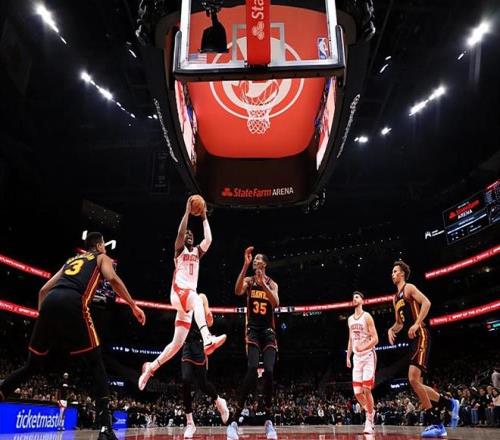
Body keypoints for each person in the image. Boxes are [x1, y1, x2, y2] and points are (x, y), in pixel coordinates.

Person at [0, 232, 146, 440]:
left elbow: (43, 291)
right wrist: (133, 305)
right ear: (99, 245)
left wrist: (45, 321)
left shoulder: (71, 261)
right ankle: (105, 429)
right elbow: (112, 279)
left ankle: (3, 390)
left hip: (50, 303)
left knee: (32, 365)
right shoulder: (101, 257)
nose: (105, 248)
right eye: (104, 245)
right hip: (74, 302)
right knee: (96, 363)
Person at [138, 196, 226, 390]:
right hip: (178, 293)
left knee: (176, 344)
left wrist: (204, 216)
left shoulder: (197, 253)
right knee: (196, 298)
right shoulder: (179, 251)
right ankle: (207, 338)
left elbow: (209, 239)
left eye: (191, 234)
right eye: (186, 234)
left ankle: (150, 368)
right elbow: (180, 233)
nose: (188, 235)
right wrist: (187, 212)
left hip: (187, 300)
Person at [388, 260, 459, 438]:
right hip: (412, 340)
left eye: (395, 271)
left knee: (413, 379)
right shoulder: (395, 298)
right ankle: (450, 404)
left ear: (402, 273)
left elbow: (426, 302)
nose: (393, 274)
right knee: (416, 383)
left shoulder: (409, 288)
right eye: (392, 272)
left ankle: (437, 424)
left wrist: (417, 323)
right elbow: (399, 323)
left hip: (421, 335)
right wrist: (391, 329)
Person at [227, 247, 279, 440]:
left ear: (264, 263)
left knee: (269, 371)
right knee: (251, 369)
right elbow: (236, 290)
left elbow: (276, 303)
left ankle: (268, 420)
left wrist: (263, 284)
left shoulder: (272, 283)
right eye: (254, 259)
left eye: (257, 258)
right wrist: (245, 265)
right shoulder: (249, 281)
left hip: (268, 332)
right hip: (253, 331)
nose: (255, 260)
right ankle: (234, 420)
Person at [182, 293, 229, 438]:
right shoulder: (181, 298)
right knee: (185, 380)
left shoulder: (201, 297)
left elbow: (210, 322)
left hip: (199, 344)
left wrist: (208, 316)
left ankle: (219, 401)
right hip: (186, 344)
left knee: (202, 384)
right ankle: (190, 423)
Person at [346, 291, 378, 434]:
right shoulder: (350, 319)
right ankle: (371, 411)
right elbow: (351, 339)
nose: (354, 298)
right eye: (353, 297)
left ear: (362, 301)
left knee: (366, 389)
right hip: (357, 358)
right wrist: (348, 356)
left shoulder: (367, 316)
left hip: (368, 356)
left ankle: (369, 420)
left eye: (357, 297)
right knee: (358, 393)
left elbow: (375, 339)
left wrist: (364, 347)